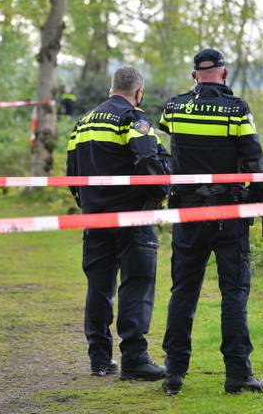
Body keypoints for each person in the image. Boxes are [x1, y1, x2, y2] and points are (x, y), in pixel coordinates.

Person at [157, 49, 263, 396]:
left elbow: (165, 142)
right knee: (234, 293)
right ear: (224, 73)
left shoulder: (174, 107)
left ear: (194, 75)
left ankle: (174, 373)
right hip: (229, 213)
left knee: (183, 291)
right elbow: (255, 163)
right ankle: (238, 374)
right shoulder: (238, 110)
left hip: (188, 213)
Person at [66, 66, 171, 380]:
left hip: (95, 217)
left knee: (99, 288)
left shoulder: (81, 123)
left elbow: (72, 175)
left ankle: (99, 359)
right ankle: (135, 359)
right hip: (132, 216)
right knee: (136, 284)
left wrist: (86, 203)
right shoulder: (132, 118)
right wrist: (161, 193)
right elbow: (150, 160)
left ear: (112, 88)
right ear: (138, 92)